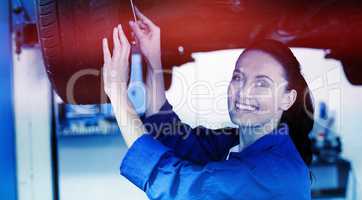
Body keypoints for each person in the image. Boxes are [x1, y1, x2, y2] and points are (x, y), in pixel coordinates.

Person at [101, 9, 314, 200]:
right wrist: (153, 57)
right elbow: (171, 136)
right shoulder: (234, 141)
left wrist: (117, 92)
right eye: (238, 78)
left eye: (262, 83)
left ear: (287, 99)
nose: (244, 91)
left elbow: (178, 187)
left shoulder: (275, 174)